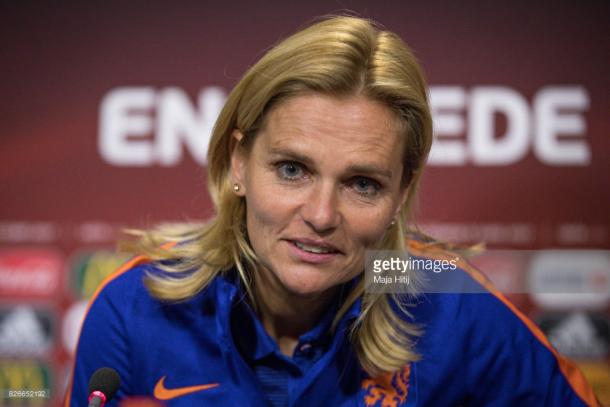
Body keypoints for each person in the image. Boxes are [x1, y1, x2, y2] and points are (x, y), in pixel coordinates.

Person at [65, 15, 600, 406]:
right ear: (239, 164)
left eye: (362, 183)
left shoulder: (453, 307)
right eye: (292, 169)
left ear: (400, 193)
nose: (321, 215)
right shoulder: (135, 310)